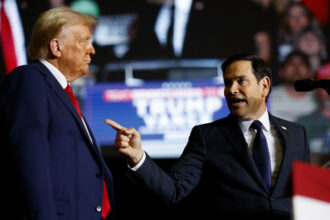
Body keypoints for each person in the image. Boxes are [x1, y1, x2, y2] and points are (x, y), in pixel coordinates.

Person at [105, 53, 310, 219]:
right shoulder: (206, 136)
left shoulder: (295, 134)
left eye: (241, 81)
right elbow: (173, 190)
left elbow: (305, 197)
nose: (231, 90)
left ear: (264, 86)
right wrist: (138, 157)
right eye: (227, 83)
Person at [0, 7, 114, 220]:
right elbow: (31, 161)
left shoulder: (61, 93)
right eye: (83, 40)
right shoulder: (29, 80)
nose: (92, 50)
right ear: (56, 46)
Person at [270, 50, 317, 122]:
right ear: (281, 72)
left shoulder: (319, 97)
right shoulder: (267, 96)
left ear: (310, 72)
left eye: (301, 64)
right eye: (291, 64)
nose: (296, 68)